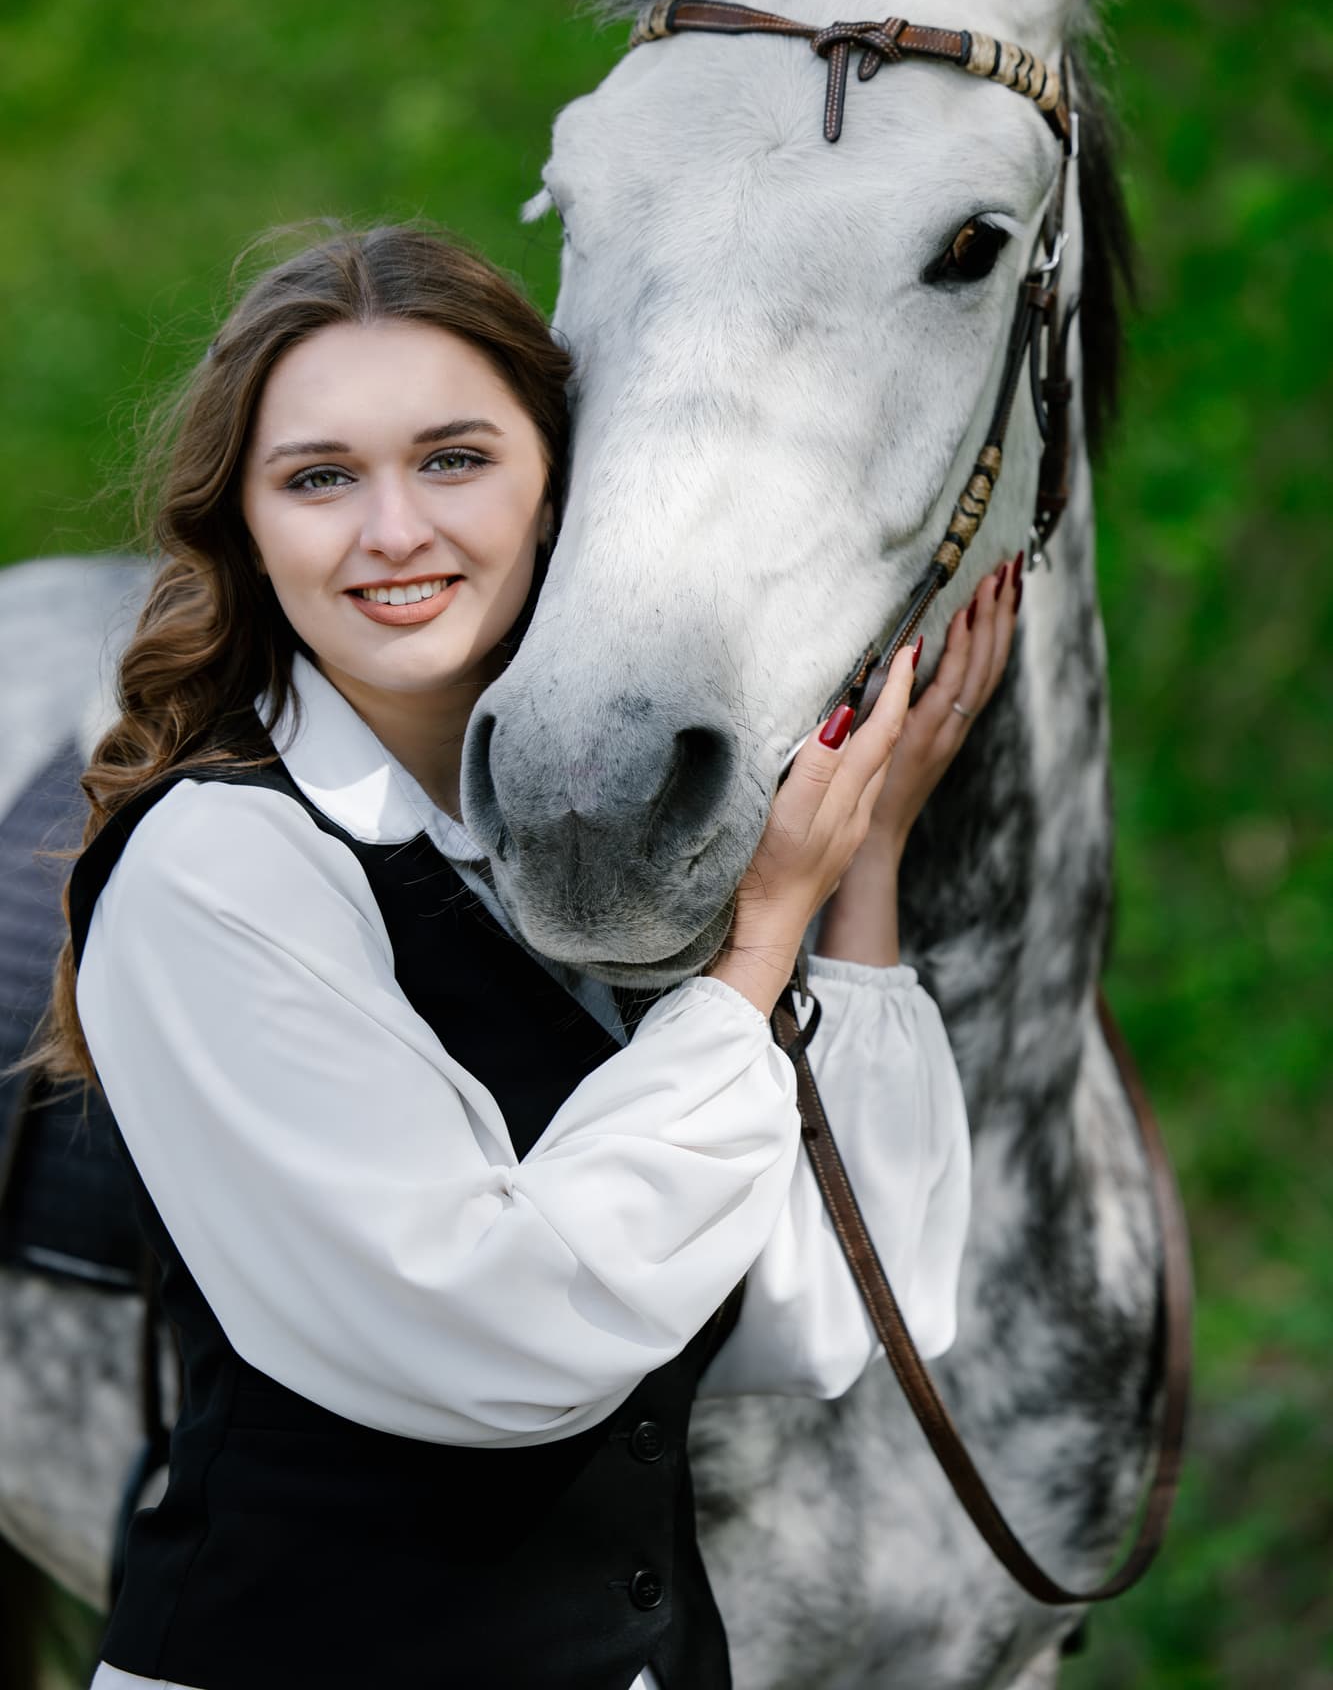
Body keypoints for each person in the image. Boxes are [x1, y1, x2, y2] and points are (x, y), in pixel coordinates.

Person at [39, 225, 1020, 1690]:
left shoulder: (560, 862)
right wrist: (756, 948)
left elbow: (819, 1312)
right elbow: (502, 1327)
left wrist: (857, 866)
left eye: (453, 459)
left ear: (561, 486)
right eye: (319, 478)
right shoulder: (220, 863)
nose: (393, 532)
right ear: (245, 527)